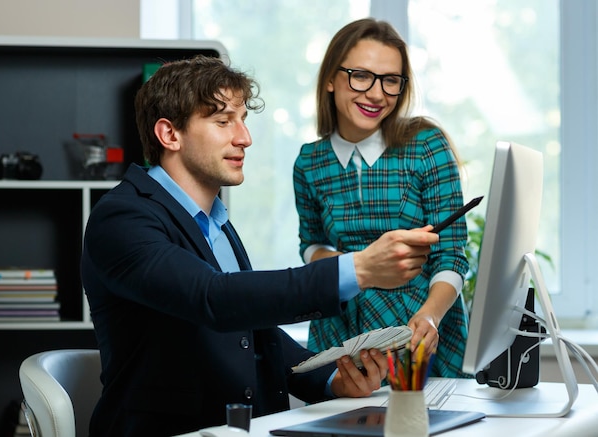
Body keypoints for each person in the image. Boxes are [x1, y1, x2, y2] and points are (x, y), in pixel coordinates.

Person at [81, 55, 440, 436]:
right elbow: (213, 299)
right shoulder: (121, 219)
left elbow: (251, 330)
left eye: (243, 121)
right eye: (223, 122)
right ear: (170, 134)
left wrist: (330, 380)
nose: (244, 138)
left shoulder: (216, 222)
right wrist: (359, 269)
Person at [293, 18, 471, 378]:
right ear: (331, 78)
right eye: (361, 75)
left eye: (391, 80)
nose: (376, 93)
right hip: (338, 334)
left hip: (418, 334)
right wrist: (360, 263)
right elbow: (310, 245)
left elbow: (451, 254)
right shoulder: (309, 162)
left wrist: (430, 316)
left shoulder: (425, 146)